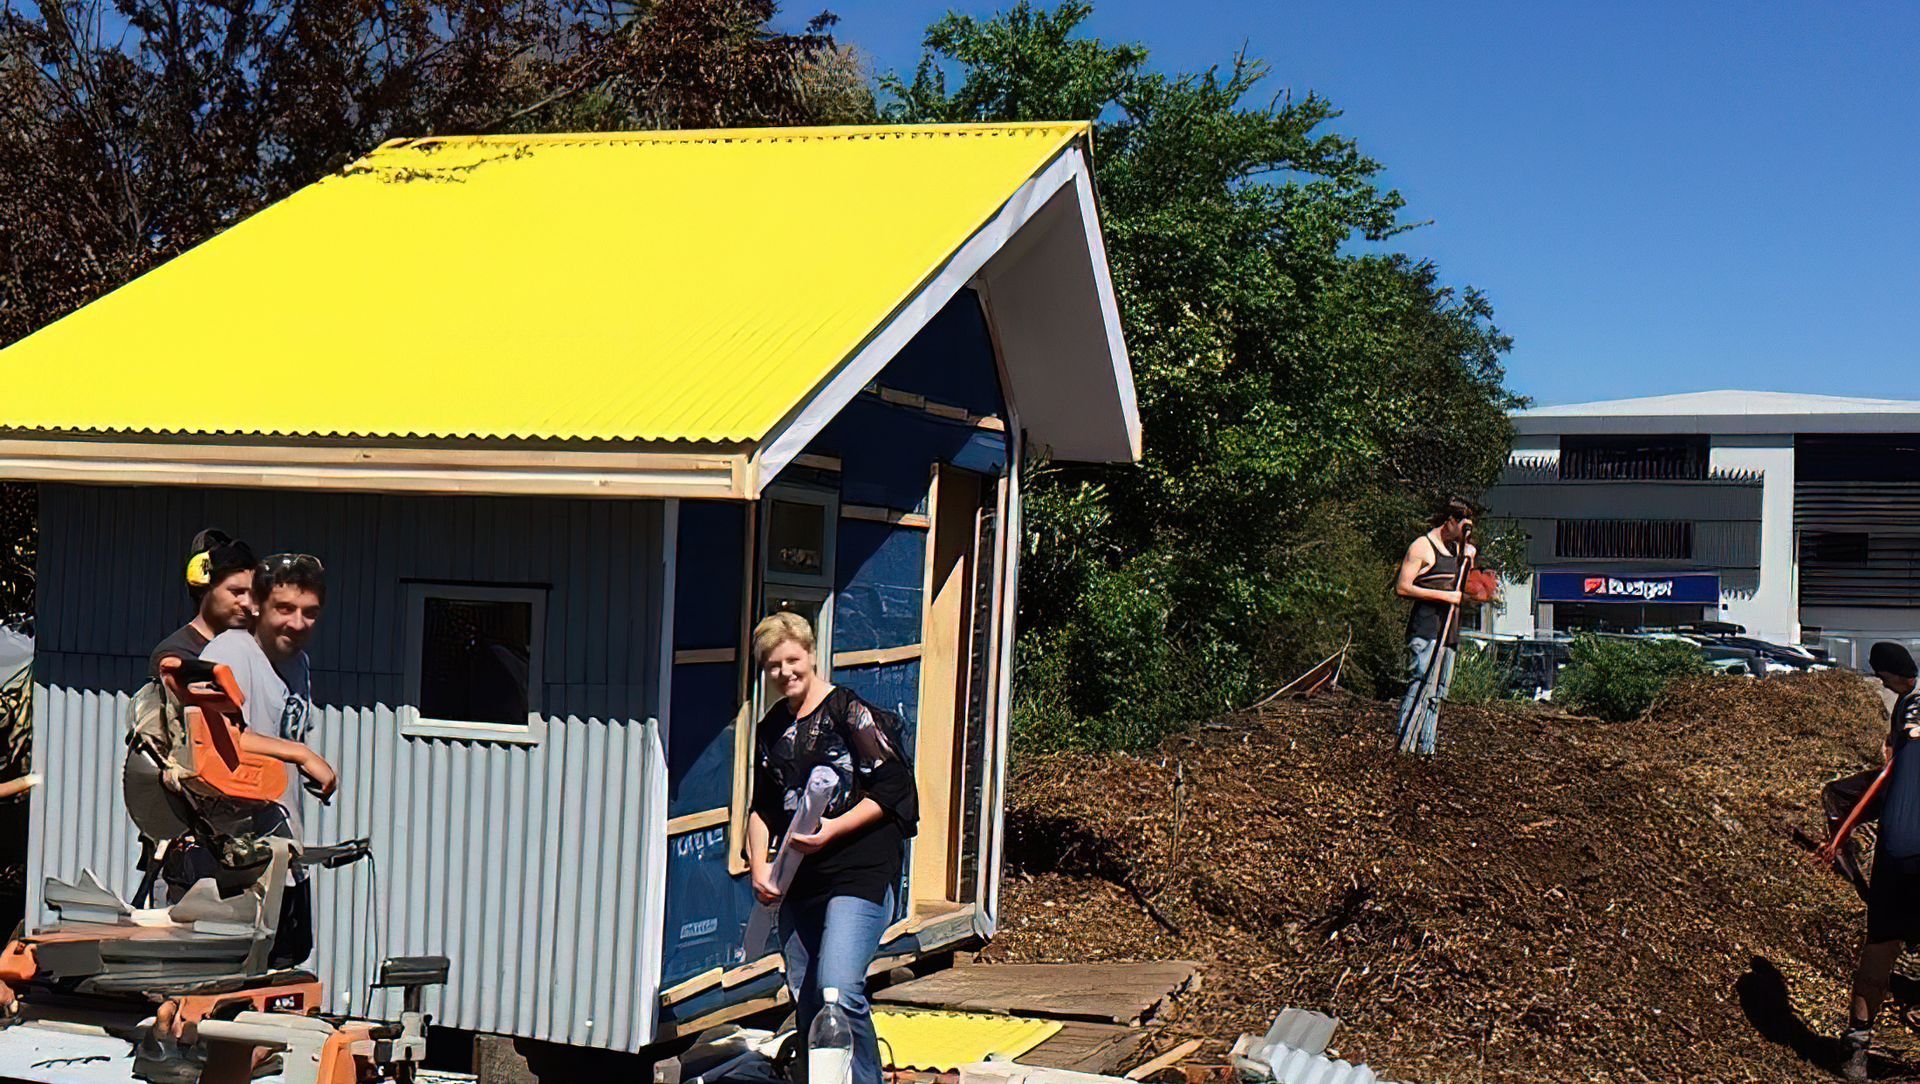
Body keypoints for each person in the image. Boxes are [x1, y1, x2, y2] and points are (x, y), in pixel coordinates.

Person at [746, 612, 917, 1084]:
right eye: (773, 665)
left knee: (838, 987)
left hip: (859, 869)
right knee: (806, 996)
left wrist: (834, 828)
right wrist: (760, 866)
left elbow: (895, 788)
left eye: (792, 659)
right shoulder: (770, 728)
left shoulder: (848, 711)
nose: (785, 673)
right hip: (800, 877)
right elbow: (761, 808)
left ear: (812, 655)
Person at [200, 553, 337, 966]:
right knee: (234, 979)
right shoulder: (230, 652)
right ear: (257, 605)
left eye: (310, 613)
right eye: (285, 609)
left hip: (284, 852)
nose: (298, 623)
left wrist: (307, 769)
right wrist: (300, 754)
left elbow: (282, 739)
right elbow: (214, 741)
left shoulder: (298, 663)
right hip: (235, 862)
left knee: (288, 960)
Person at [1830, 642, 1920, 1081]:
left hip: (1898, 846)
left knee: (1881, 946)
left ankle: (1856, 1051)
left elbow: (1891, 767)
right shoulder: (1906, 704)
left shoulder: (1906, 707)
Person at [1819, 641, 1917, 899]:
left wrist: (1840, 835)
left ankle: (1842, 856)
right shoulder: (1908, 697)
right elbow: (1891, 749)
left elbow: (1890, 770)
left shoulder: (1914, 707)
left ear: (1896, 674)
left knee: (1836, 795)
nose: (1883, 684)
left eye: (1884, 677)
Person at [1393, 499, 1477, 756]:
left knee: (1437, 694)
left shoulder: (1458, 553)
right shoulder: (1422, 547)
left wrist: (1469, 557)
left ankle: (1426, 749)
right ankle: (1404, 744)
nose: (1466, 533)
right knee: (1420, 685)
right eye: (1463, 527)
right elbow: (1403, 587)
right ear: (1450, 521)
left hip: (1448, 633)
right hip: (1426, 630)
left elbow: (1463, 587)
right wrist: (1445, 597)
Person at [148, 529, 257, 679]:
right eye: (236, 591)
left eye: (253, 594)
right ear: (203, 589)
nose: (247, 603)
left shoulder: (254, 647)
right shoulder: (175, 654)